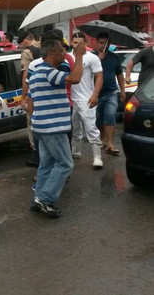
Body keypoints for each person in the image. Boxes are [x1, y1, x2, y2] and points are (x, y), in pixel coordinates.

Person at [28, 39, 85, 218]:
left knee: (46, 165)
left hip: (40, 126)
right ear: (52, 54)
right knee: (65, 164)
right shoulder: (49, 72)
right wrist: (80, 56)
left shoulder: (36, 73)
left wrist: (37, 118)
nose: (64, 53)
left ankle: (39, 198)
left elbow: (30, 101)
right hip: (53, 127)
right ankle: (46, 199)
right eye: (62, 51)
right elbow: (75, 79)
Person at [69, 32, 104, 169]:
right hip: (71, 98)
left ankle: (97, 157)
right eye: (75, 42)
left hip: (86, 98)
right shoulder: (67, 57)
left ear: (87, 43)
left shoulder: (92, 58)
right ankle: (75, 151)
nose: (77, 45)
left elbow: (99, 77)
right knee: (74, 127)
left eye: (80, 42)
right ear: (71, 43)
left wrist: (95, 95)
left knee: (91, 127)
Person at [92, 32, 125, 155]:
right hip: (96, 94)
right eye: (101, 43)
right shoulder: (91, 57)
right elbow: (86, 75)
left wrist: (122, 90)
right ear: (96, 42)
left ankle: (110, 143)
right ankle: (102, 139)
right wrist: (97, 60)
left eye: (106, 43)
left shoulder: (114, 57)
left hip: (111, 92)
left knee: (110, 116)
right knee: (99, 119)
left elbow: (119, 74)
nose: (103, 46)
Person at [18, 30, 41, 167]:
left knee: (32, 123)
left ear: (25, 41)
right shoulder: (45, 46)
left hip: (34, 94)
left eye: (20, 44)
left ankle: (38, 155)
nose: (20, 46)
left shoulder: (27, 52)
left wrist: (24, 97)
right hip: (47, 93)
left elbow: (26, 77)